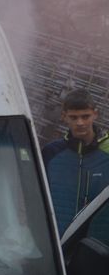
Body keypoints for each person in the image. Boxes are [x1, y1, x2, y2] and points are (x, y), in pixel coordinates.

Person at [41, 89, 109, 231]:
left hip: (99, 244)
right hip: (58, 242)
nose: (80, 122)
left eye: (85, 116)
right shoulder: (51, 152)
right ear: (64, 116)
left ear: (95, 114)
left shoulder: (107, 150)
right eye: (74, 117)